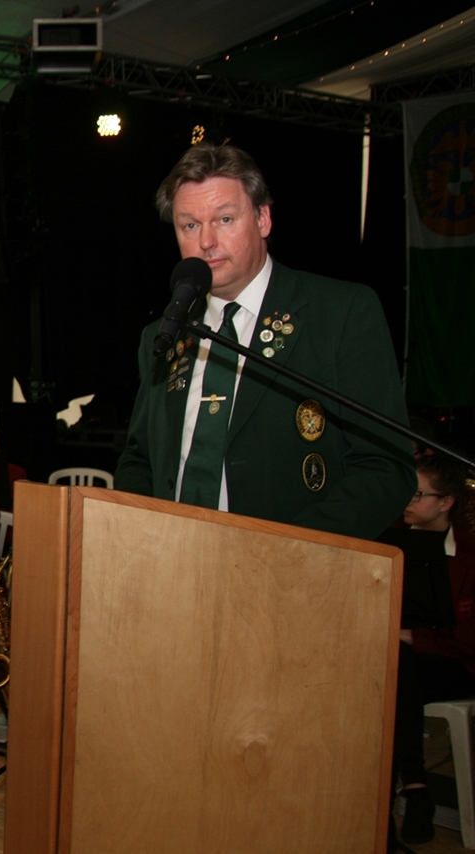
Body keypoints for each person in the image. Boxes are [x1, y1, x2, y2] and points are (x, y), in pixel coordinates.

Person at [114, 142, 414, 541]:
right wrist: (143, 536)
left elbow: (386, 468)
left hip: (292, 566)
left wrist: (288, 553)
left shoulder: (340, 313)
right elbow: (139, 460)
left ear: (263, 219)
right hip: (173, 561)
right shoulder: (163, 334)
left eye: (224, 219)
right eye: (190, 225)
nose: (206, 241)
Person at [394, 455, 475, 844]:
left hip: (457, 664)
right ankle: (414, 790)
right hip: (404, 661)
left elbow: (469, 640)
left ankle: (407, 792)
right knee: (394, 670)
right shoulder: (390, 539)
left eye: (418, 494)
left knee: (395, 671)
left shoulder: (468, 555)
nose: (407, 502)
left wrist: (413, 636)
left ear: (446, 502)